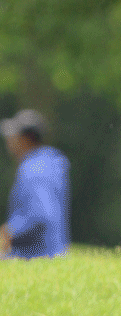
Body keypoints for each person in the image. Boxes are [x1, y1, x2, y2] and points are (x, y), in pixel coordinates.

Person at [1, 109, 71, 260]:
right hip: (54, 253)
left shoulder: (34, 168)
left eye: (14, 137)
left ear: (26, 139)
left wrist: (9, 231)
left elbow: (41, 214)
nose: (9, 141)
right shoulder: (49, 162)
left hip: (36, 256)